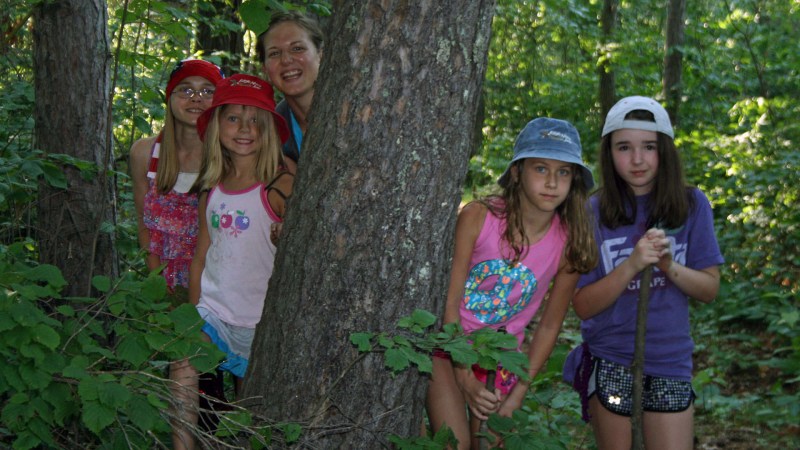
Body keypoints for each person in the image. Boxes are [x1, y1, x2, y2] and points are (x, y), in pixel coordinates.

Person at [426, 118, 599, 449]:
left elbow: (549, 327)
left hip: (501, 359)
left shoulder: (568, 243)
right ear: (517, 172)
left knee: (491, 443)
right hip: (448, 348)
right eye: (541, 169)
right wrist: (463, 375)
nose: (552, 182)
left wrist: (518, 392)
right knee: (456, 444)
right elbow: (449, 302)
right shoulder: (479, 217)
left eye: (563, 172)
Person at [563, 96, 724, 450]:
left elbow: (709, 289)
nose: (637, 159)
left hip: (670, 359)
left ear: (664, 150)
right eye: (624, 147)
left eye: (648, 147)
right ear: (609, 153)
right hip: (611, 358)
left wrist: (668, 266)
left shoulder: (691, 205)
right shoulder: (591, 211)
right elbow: (583, 305)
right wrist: (632, 264)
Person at [128, 59, 224, 450]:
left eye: (207, 90)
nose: (196, 98)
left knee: (224, 369)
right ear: (169, 98)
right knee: (184, 365)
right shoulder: (145, 152)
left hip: (221, 277)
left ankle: (227, 438)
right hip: (169, 283)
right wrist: (159, 289)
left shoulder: (228, 150)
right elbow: (145, 227)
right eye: (186, 90)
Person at [189, 72, 292, 388]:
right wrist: (194, 314)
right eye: (233, 118)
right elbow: (201, 257)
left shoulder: (280, 185)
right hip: (214, 310)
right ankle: (187, 440)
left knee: (250, 401)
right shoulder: (211, 189)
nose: (245, 129)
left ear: (270, 132)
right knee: (185, 364)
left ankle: (236, 436)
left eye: (256, 121)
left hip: (259, 318)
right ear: (217, 126)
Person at [257, 10, 323, 165]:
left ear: (321, 55)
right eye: (274, 53)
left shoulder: (356, 110)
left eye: (297, 48)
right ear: (265, 70)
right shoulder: (269, 133)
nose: (286, 60)